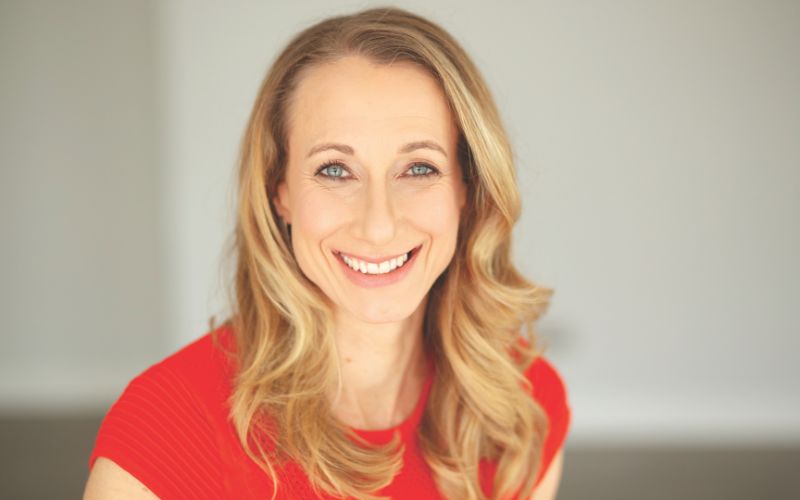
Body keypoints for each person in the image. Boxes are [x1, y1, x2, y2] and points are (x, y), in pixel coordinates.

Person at [83, 6, 571, 500]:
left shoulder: (522, 407)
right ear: (281, 191)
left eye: (419, 168)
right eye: (335, 170)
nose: (379, 225)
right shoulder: (166, 429)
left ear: (467, 188)